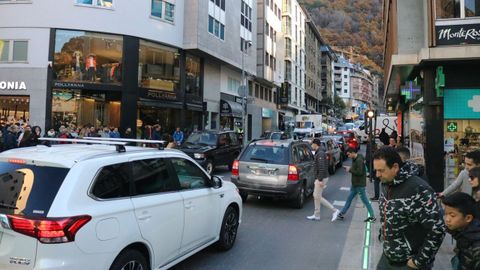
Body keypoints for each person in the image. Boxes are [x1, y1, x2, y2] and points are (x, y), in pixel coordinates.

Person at [373, 147, 445, 269]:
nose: (377, 175)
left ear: (395, 167)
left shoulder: (419, 189)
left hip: (409, 263)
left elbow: (437, 229)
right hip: (388, 257)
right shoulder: (386, 183)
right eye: (376, 170)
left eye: (381, 170)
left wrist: (419, 261)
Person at [336, 147, 376, 222]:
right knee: (349, 199)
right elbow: (358, 169)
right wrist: (350, 168)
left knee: (365, 201)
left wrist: (350, 169)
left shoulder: (359, 160)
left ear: (352, 153)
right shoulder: (357, 158)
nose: (348, 156)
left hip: (359, 184)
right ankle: (342, 213)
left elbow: (359, 172)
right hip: (355, 184)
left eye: (348, 155)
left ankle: (372, 216)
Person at [442, 192, 480, 270]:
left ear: (468, 218)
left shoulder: (476, 246)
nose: (447, 219)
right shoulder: (463, 229)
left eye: (452, 215)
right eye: (445, 214)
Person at [306, 138, 341, 222]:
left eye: (312, 144)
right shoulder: (320, 152)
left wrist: (320, 180)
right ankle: (316, 214)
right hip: (321, 177)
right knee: (316, 196)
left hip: (321, 177)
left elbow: (321, 167)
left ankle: (335, 210)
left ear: (315, 144)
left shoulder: (320, 153)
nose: (311, 146)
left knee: (317, 196)